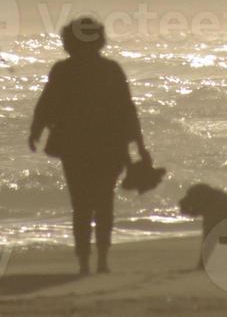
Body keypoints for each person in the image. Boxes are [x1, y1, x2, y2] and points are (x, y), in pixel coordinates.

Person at [28, 16, 146, 275]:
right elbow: (127, 109)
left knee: (81, 204)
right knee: (104, 202)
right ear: (99, 40)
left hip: (75, 147)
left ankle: (84, 262)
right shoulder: (110, 69)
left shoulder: (63, 70)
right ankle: (101, 259)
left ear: (69, 42)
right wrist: (140, 145)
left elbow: (47, 104)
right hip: (109, 147)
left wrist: (36, 130)